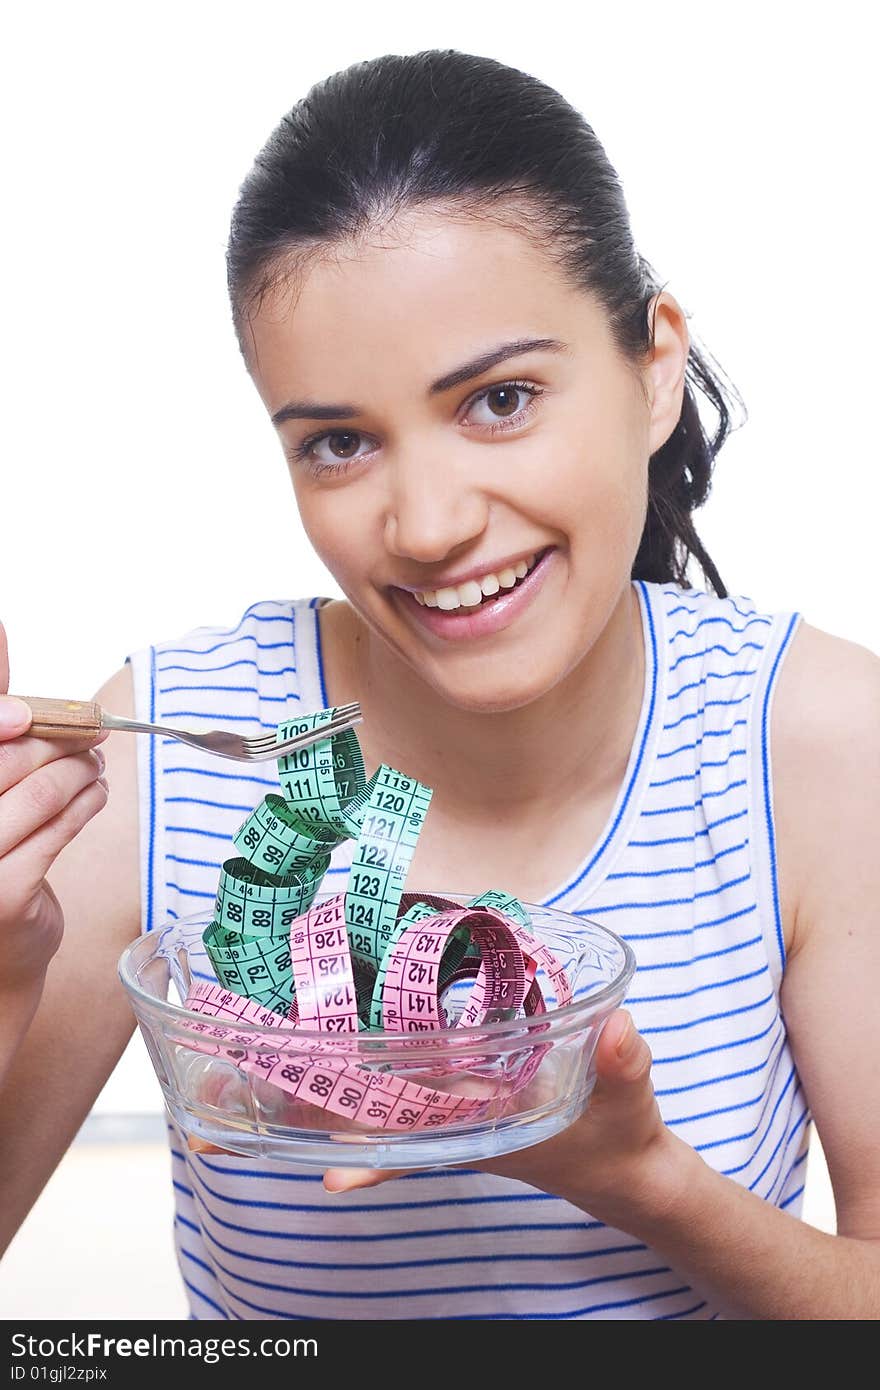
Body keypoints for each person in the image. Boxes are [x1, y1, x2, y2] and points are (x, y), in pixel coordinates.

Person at [1, 48, 878, 1322]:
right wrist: (4, 972)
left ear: (652, 364)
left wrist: (640, 1178)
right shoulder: (168, 765)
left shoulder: (820, 745)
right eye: (339, 442)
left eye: (501, 399)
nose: (424, 523)